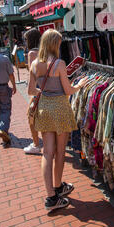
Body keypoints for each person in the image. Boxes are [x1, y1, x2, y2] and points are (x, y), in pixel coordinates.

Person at [28, 29, 88, 212]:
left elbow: (31, 91)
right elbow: (68, 90)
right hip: (60, 109)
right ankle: (58, 186)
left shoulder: (35, 63)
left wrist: (44, 93)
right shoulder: (59, 64)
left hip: (44, 109)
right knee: (60, 151)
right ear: (54, 44)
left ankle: (51, 196)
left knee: (47, 153)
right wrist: (79, 85)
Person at [23, 28, 42, 155]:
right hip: (50, 87)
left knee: (30, 116)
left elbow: (33, 74)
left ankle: (35, 144)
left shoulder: (32, 53)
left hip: (38, 89)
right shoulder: (46, 51)